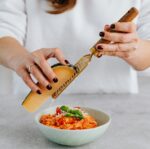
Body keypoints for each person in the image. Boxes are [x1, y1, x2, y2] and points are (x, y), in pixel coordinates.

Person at [0, 0, 150, 95]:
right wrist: (18, 57)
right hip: (37, 102)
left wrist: (133, 49)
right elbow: (4, 28)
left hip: (116, 105)